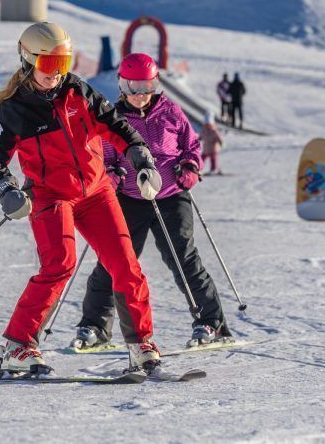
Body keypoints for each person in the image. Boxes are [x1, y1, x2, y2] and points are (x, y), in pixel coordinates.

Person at [0, 23, 164, 373]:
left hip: (95, 192)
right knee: (59, 264)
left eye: (64, 63)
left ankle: (141, 343)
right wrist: (5, 189)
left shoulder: (77, 90)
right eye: (50, 65)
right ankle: (17, 345)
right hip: (50, 196)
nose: (57, 73)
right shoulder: (15, 111)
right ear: (29, 61)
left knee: (126, 265)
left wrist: (140, 156)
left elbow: (115, 125)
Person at [72, 53, 233, 351]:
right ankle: (93, 327)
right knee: (114, 262)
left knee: (183, 257)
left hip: (171, 196)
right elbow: (103, 156)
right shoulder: (112, 118)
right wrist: (113, 174)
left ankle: (211, 322)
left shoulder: (171, 112)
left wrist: (190, 168)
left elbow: (191, 146)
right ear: (121, 86)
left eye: (147, 86)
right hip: (130, 198)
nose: (140, 95)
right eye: (132, 87)